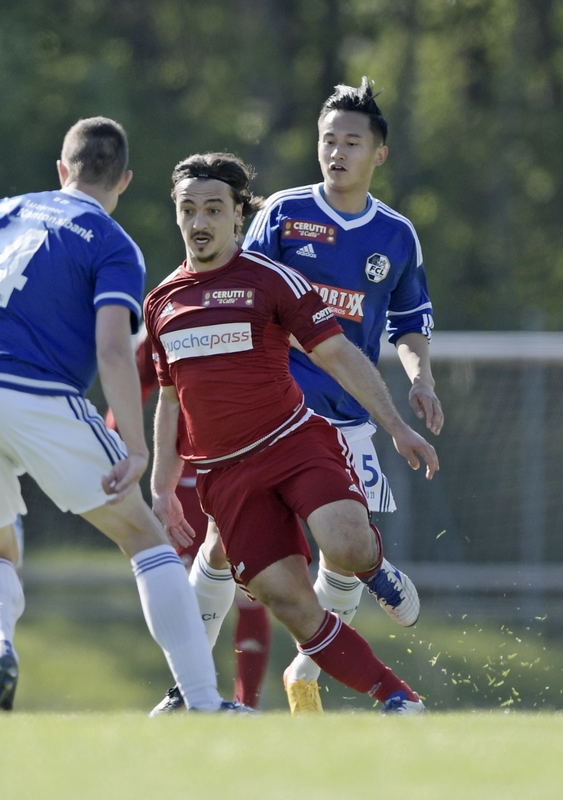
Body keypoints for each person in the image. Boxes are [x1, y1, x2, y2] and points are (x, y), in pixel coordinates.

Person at [0, 117, 239, 714]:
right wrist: (136, 449)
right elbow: (114, 350)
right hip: (35, 394)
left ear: (62, 170)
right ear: (125, 180)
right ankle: (206, 704)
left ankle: (0, 652)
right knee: (146, 539)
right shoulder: (113, 244)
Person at [145, 152, 439, 715]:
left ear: (238, 217)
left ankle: (374, 567)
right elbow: (167, 398)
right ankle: (396, 696)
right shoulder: (162, 302)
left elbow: (339, 356)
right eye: (188, 209)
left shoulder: (271, 280)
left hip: (295, 446)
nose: (199, 221)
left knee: (348, 548)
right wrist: (162, 484)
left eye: (213, 208)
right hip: (225, 477)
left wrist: (397, 425)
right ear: (177, 216)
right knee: (292, 603)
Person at [242, 77, 443, 714]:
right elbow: (247, 293)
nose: (337, 152)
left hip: (352, 413)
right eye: (328, 140)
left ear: (378, 153)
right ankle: (188, 689)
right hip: (279, 402)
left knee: (344, 547)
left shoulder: (396, 236)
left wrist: (421, 378)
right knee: (230, 548)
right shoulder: (283, 213)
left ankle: (306, 668)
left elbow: (410, 324)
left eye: (351, 142)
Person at [105, 335, 272, 711]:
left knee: (250, 586)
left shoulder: (255, 299)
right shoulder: (167, 314)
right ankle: (191, 695)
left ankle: (247, 704)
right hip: (182, 478)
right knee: (190, 589)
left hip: (241, 465)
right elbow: (135, 381)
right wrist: (115, 442)